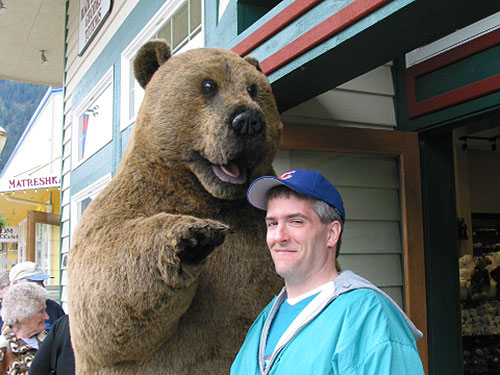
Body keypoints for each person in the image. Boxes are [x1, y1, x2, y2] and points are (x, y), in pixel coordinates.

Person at [231, 169, 425, 374]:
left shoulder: (367, 316)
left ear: (331, 234)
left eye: (296, 221)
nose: (279, 236)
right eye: (272, 223)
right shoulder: (266, 319)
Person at [0, 282, 49, 375]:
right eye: (41, 312)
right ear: (21, 316)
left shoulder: (50, 341)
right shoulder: (4, 349)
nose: (46, 317)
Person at [9, 262, 65, 332]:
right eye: (36, 284)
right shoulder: (5, 311)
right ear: (15, 284)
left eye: (42, 282)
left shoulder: (54, 308)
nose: (42, 287)